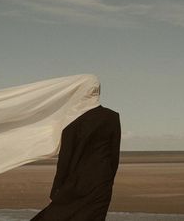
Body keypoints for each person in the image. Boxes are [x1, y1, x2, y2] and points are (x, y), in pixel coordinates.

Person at [30, 87, 121, 220]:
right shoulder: (112, 116)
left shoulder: (72, 119)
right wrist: (108, 182)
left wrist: (56, 190)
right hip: (101, 181)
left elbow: (65, 158)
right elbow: (114, 155)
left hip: (75, 181)